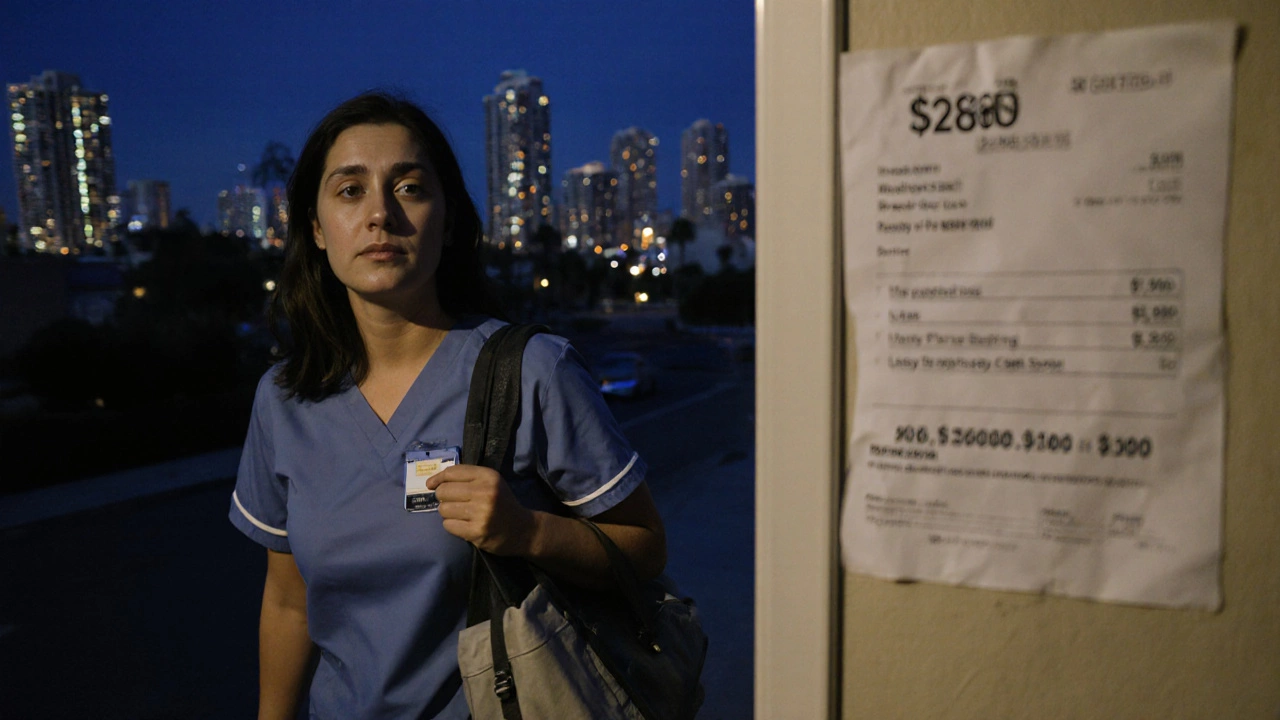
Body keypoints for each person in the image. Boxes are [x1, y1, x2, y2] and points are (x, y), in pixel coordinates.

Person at [229, 91, 666, 720]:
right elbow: (289, 601)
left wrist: (529, 531)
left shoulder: (532, 370)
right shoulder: (284, 399)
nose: (380, 214)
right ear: (317, 228)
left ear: (449, 219)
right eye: (350, 191)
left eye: (408, 187)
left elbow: (646, 547)